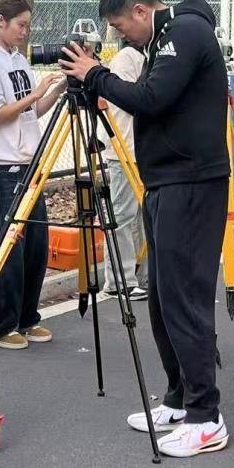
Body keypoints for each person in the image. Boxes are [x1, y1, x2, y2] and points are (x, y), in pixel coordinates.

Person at [60, 0, 231, 458]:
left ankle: (206, 417)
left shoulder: (185, 32)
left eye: (121, 27)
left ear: (140, 10)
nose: (121, 38)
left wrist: (95, 75)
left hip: (191, 184)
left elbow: (151, 98)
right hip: (166, 183)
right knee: (162, 298)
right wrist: (96, 79)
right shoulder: (162, 38)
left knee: (185, 300)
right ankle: (179, 399)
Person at [0, 0, 64, 351]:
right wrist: (35, 94)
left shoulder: (18, 59)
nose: (24, 32)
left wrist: (57, 90)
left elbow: (30, 112)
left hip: (29, 164)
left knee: (34, 246)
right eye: (20, 25)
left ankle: (25, 317)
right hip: (2, 167)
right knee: (4, 247)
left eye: (28, 26)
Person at [97, 41, 149, 301]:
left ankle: (141, 276)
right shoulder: (126, 59)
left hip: (139, 151)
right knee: (123, 216)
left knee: (141, 218)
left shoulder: (143, 57)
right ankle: (119, 281)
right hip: (124, 150)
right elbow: (130, 101)